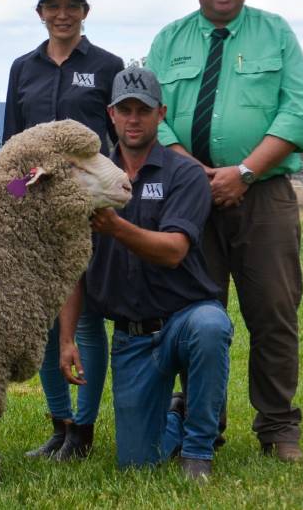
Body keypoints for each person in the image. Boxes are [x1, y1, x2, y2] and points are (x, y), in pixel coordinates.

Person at [145, 0, 303, 462]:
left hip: (263, 195)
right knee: (198, 316)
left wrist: (242, 172)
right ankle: (202, 424)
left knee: (273, 312)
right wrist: (199, 177)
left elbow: (298, 114)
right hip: (190, 197)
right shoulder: (168, 40)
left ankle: (278, 428)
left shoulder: (276, 33)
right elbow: (153, 117)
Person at [59, 65, 233, 481]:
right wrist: (66, 339)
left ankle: (198, 451)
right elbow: (73, 266)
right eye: (125, 110)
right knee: (137, 461)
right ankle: (177, 413)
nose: (134, 119)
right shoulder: (85, 176)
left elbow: (174, 251)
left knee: (211, 325)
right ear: (111, 114)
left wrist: (115, 226)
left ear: (161, 114)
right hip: (132, 335)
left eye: (144, 110)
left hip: (183, 318)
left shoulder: (184, 173)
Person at [3, 0, 123, 461]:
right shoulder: (22, 67)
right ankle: (59, 424)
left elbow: (116, 140)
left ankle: (85, 431)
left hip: (87, 211)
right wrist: (10, 198)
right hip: (36, 217)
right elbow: (11, 143)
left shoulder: (107, 65)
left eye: (71, 6)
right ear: (40, 14)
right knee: (45, 320)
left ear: (85, 12)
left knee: (88, 318)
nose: (62, 14)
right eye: (53, 6)